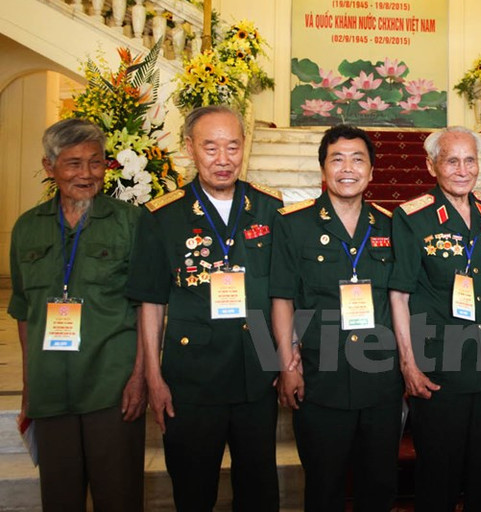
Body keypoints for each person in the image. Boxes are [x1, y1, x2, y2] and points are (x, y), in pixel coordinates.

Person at [126, 105, 282, 511]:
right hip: (191, 379)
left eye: (232, 147)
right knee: (194, 491)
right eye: (210, 147)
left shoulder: (270, 209)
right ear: (189, 148)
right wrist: (153, 377)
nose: (223, 159)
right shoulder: (163, 217)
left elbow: (284, 293)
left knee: (259, 490)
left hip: (257, 371)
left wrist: (287, 359)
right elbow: (151, 302)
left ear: (244, 148)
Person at [8, 119, 146, 510]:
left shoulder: (130, 223)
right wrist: (28, 385)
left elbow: (147, 308)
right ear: (49, 167)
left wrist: (141, 376)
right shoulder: (26, 229)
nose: (86, 174)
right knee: (60, 498)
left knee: (118, 497)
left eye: (95, 162)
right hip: (50, 391)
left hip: (112, 389)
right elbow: (23, 310)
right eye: (73, 164)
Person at [270, 124, 402, 511]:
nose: (348, 168)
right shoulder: (293, 224)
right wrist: (286, 362)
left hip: (380, 381)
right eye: (337, 159)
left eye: (358, 159)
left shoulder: (391, 226)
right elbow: (282, 297)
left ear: (372, 171)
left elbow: (400, 299)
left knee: (377, 487)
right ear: (323, 170)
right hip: (320, 378)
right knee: (324, 488)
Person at [388, 126, 481, 512]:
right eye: (452, 160)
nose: (462, 169)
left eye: (470, 160)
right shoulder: (412, 217)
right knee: (438, 476)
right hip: (438, 368)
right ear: (431, 165)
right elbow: (399, 295)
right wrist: (408, 363)